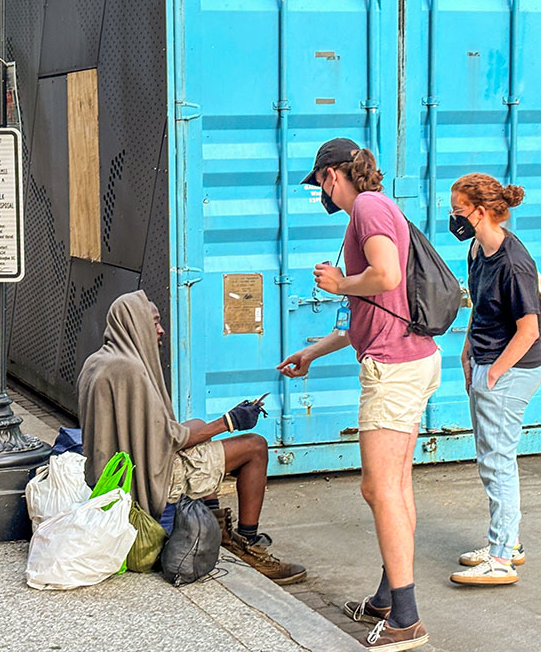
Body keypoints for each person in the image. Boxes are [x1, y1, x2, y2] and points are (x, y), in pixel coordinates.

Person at [278, 139, 440, 651]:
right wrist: (313, 352)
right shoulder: (378, 208)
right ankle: (387, 598)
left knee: (379, 489)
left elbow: (385, 277)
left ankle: (406, 620)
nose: (321, 194)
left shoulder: (368, 208)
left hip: (393, 368)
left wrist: (337, 282)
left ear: (331, 176)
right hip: (411, 357)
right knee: (397, 484)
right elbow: (369, 311)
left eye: (319, 184)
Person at [78, 290, 307, 585]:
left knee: (199, 427)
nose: (161, 330)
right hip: (144, 478)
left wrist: (207, 429)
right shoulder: (129, 369)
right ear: (135, 324)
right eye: (155, 323)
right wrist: (230, 421)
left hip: (116, 469)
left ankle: (217, 527)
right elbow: (169, 439)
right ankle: (249, 544)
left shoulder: (100, 361)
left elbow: (148, 432)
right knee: (255, 447)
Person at [448, 174, 541, 586]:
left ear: (481, 212)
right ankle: (508, 542)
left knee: (498, 461)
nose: (453, 219)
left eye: (458, 212)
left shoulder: (513, 262)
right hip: (487, 361)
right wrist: (469, 348)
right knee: (492, 459)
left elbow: (529, 330)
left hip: (511, 368)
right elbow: (481, 306)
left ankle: (502, 557)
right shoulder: (478, 249)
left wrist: (494, 374)